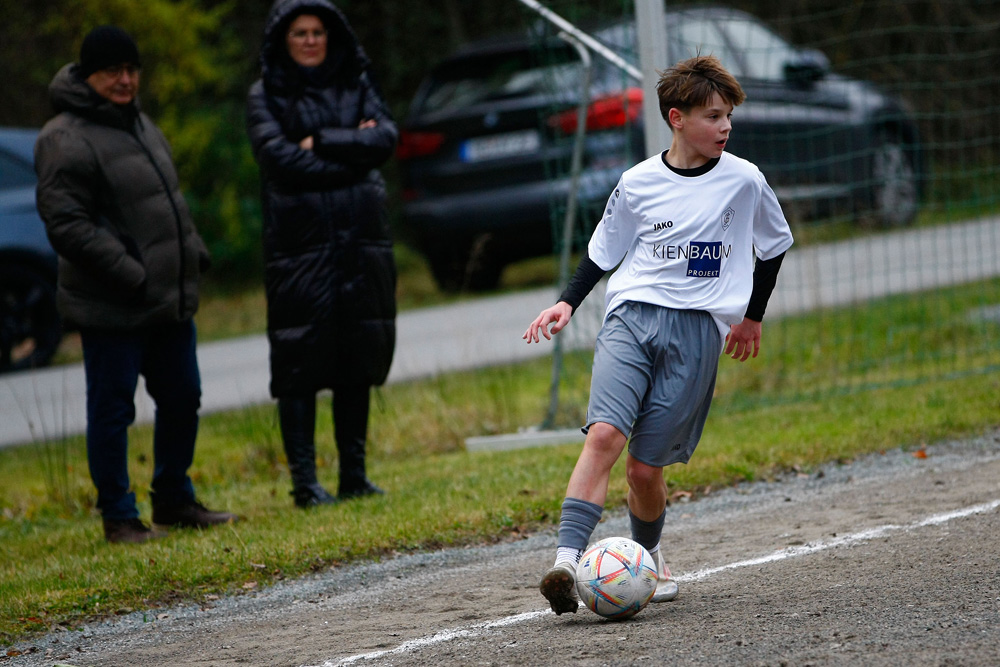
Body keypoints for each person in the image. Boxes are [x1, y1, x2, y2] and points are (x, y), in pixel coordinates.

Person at [523, 55, 794, 614]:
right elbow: (605, 250)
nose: (725, 127)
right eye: (713, 116)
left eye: (729, 118)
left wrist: (752, 316)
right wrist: (567, 303)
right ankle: (566, 563)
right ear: (677, 117)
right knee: (603, 436)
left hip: (696, 331)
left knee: (644, 470)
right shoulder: (637, 182)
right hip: (632, 318)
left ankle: (647, 559)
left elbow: (773, 247)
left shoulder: (745, 180)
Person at [34, 26, 238, 544]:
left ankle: (173, 500)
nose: (125, 80)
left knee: (183, 397)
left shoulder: (140, 123)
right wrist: (131, 273)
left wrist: (192, 252)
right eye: (112, 72)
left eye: (131, 70)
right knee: (113, 409)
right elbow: (67, 224)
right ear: (88, 75)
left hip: (167, 300)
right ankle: (119, 517)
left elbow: (166, 198)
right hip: (112, 304)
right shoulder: (63, 136)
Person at [246, 0, 398, 508]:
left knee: (356, 358)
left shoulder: (356, 84)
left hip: (359, 245)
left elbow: (386, 138)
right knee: (300, 364)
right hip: (299, 253)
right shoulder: (265, 95)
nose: (310, 40)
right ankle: (306, 483)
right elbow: (278, 159)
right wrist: (350, 154)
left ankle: (354, 474)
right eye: (299, 33)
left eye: (317, 32)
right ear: (282, 41)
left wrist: (323, 142)